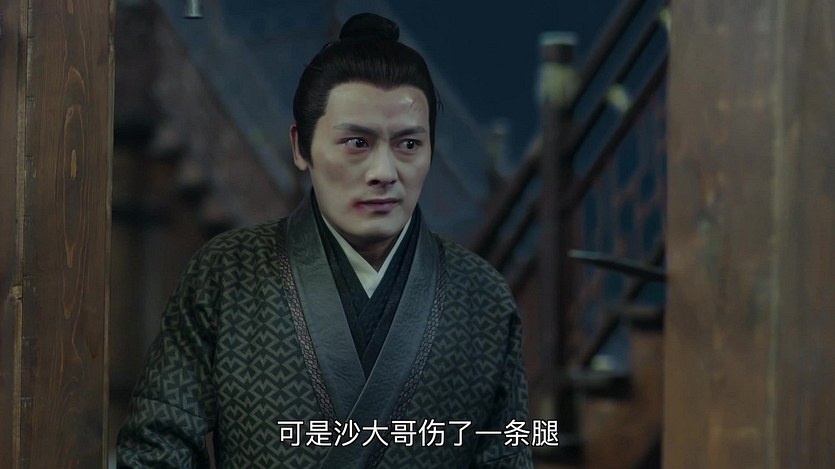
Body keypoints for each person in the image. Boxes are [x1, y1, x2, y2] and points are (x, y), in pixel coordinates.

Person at [117, 12, 532, 469]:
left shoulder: (482, 296)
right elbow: (158, 446)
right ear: (301, 147)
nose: (384, 172)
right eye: (357, 143)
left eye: (409, 145)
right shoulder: (226, 275)